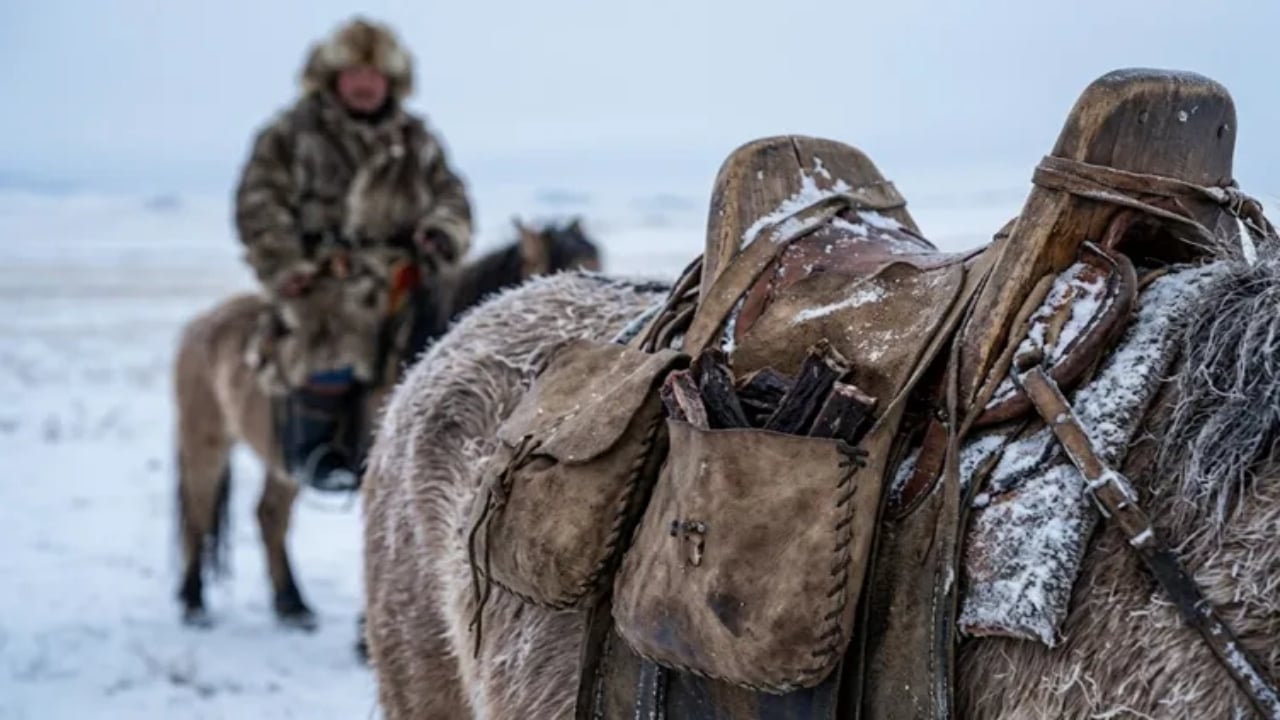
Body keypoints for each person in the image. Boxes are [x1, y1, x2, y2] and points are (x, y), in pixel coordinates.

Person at [233, 16, 473, 492]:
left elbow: (452, 199)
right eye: (354, 73)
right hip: (322, 278)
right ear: (333, 77)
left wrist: (442, 234)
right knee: (333, 335)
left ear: (391, 80)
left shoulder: (416, 141)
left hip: (406, 275)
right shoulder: (291, 135)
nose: (365, 84)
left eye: (374, 74)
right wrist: (286, 266)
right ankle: (321, 450)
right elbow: (259, 204)